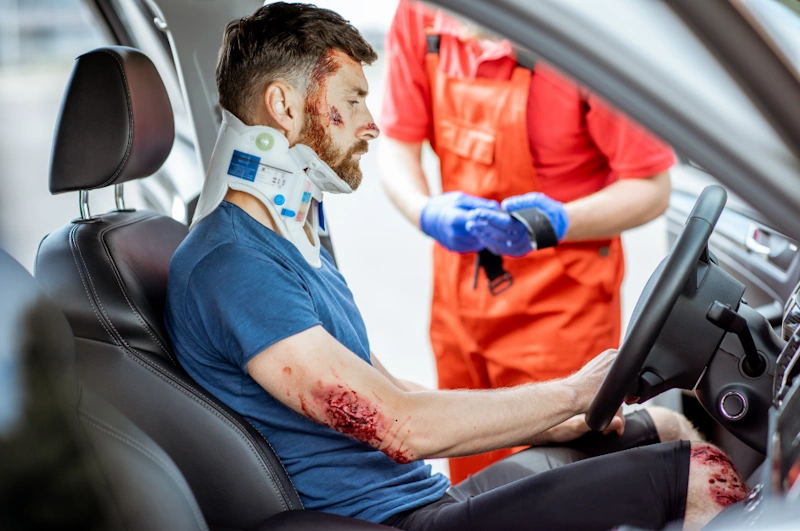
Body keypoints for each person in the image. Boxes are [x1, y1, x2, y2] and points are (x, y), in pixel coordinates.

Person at [164, 3, 747, 530]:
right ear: (284, 105)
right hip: (397, 518)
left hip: (427, 485)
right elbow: (398, 424)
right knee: (696, 478)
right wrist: (573, 392)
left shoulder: (291, 246)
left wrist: (554, 421)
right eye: (352, 101)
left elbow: (389, 389)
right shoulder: (233, 266)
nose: (370, 123)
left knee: (669, 430)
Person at [378, 0, 675, 482]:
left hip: (560, 315)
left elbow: (651, 188)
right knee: (472, 482)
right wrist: (424, 209)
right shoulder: (420, 13)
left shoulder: (580, 29)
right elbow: (397, 143)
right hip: (461, 306)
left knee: (555, 485)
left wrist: (557, 222)